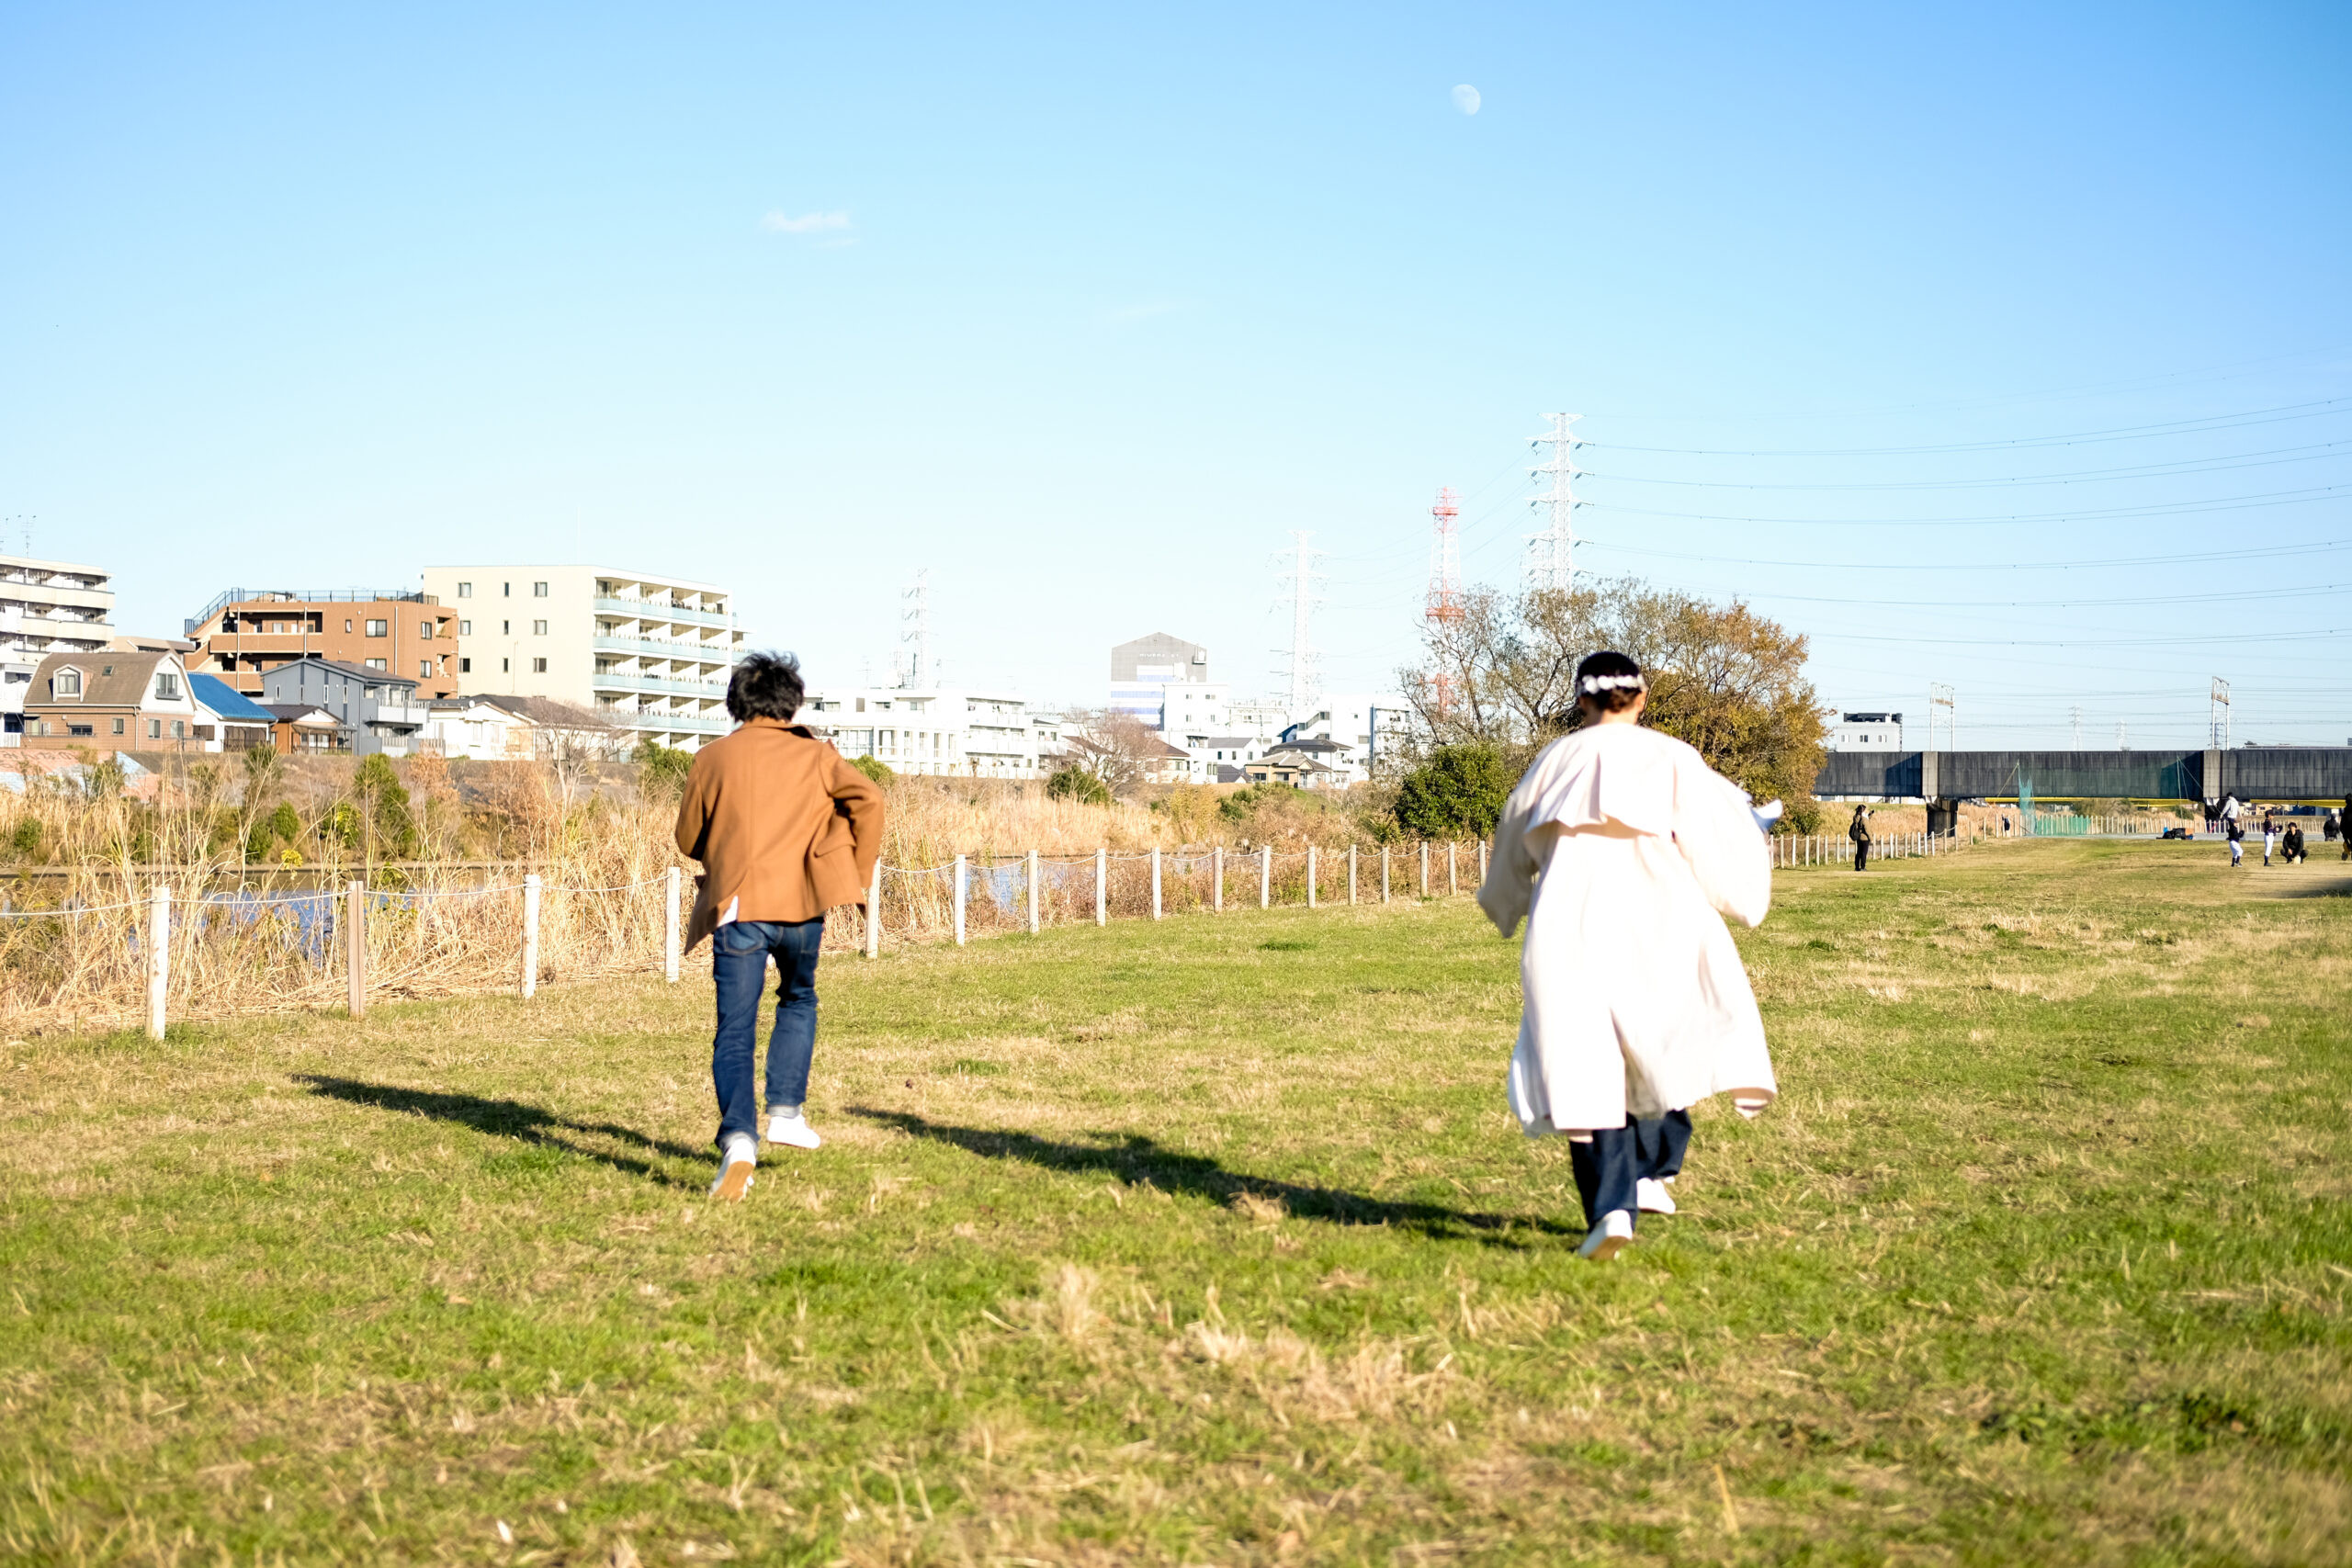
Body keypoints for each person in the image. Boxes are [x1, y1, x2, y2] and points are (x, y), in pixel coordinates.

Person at [1477, 650, 1776, 1262]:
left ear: (1581, 700)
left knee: (1582, 1064)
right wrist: (1743, 898)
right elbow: (1717, 838)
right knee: (1661, 1041)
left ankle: (1612, 1206)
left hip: (1571, 924)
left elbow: (1512, 843)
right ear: (1641, 699)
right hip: (1660, 920)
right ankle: (1653, 1172)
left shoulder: (1554, 761)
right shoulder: (1670, 757)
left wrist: (1505, 902)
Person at [673, 651, 885, 1201]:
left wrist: (720, 849)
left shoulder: (711, 758)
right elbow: (870, 799)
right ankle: (786, 1112)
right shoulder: (817, 755)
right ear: (792, 703)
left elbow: (686, 838)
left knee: (735, 1028)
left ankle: (739, 1141)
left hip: (739, 907)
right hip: (803, 905)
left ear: (737, 703)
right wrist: (850, 871)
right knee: (798, 997)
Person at [1849, 804, 1872, 871]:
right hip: (1865, 838)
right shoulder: (1864, 819)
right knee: (1864, 853)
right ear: (1863, 810)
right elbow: (1867, 829)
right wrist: (1871, 838)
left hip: (1859, 838)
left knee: (1859, 853)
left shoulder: (1856, 817)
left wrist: (1870, 815)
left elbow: (1860, 822)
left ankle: (1857, 867)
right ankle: (1863, 867)